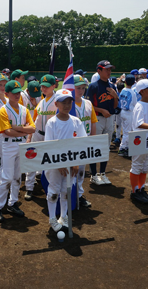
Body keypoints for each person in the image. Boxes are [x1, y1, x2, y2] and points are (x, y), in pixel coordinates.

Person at [0, 80, 36, 222]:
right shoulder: (3, 109)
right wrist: (23, 130)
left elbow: (33, 128)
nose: (17, 95)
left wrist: (18, 128)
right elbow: (7, 132)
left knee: (17, 177)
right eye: (14, 93)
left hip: (21, 145)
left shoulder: (23, 109)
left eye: (18, 92)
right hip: (9, 145)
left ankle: (12, 203)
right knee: (7, 178)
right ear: (7, 94)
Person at [44, 89, 87, 232]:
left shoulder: (76, 122)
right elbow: (49, 146)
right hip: (55, 164)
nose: (67, 105)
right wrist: (58, 164)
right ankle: (52, 218)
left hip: (71, 164)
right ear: (56, 104)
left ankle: (64, 216)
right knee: (54, 191)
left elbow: (82, 142)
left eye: (69, 102)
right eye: (63, 102)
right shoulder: (52, 123)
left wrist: (75, 162)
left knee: (66, 190)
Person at [25, 74, 57, 200]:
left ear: (54, 86)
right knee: (32, 161)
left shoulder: (57, 100)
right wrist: (29, 137)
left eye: (47, 86)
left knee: (50, 164)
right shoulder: (41, 101)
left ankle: (50, 188)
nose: (44, 89)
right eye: (42, 86)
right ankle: (29, 187)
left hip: (51, 137)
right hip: (37, 134)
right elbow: (34, 121)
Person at [86, 60, 119, 185]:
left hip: (109, 119)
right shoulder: (93, 86)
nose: (109, 71)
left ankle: (103, 174)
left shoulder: (112, 86)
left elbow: (115, 106)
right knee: (95, 147)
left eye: (110, 69)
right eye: (106, 69)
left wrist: (115, 96)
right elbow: (88, 106)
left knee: (105, 147)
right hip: (97, 119)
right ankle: (94, 175)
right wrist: (101, 110)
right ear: (99, 71)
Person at [73, 75, 98, 208]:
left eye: (83, 88)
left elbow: (93, 122)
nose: (81, 90)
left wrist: (92, 139)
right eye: (78, 88)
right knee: (71, 170)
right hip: (72, 142)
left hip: (85, 141)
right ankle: (69, 195)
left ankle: (79, 194)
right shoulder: (68, 104)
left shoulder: (88, 103)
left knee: (81, 170)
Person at [118, 74, 137, 157]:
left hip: (123, 111)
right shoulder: (132, 92)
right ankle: (122, 148)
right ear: (133, 83)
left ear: (125, 82)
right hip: (129, 113)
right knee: (128, 132)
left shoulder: (123, 90)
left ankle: (126, 147)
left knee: (126, 131)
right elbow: (135, 104)